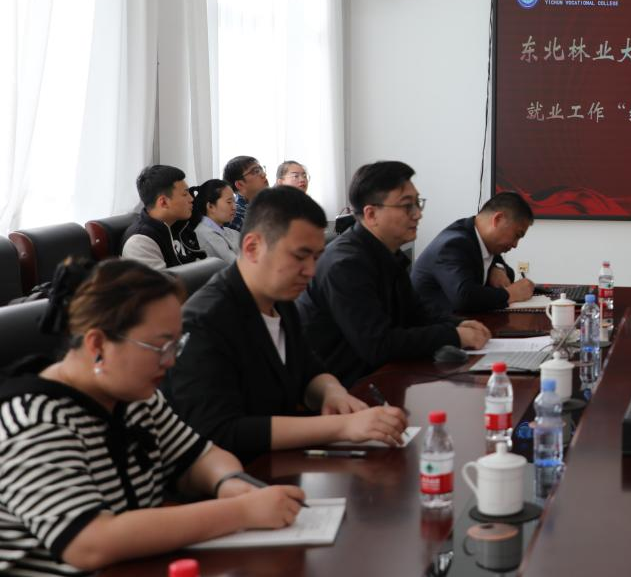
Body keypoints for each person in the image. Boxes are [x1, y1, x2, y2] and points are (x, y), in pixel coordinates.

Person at [0, 259, 306, 575]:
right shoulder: (34, 422)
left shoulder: (134, 398)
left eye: (176, 345)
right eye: (160, 347)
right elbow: (90, 543)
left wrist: (228, 482)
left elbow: (200, 457)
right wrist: (240, 511)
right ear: (98, 344)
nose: (170, 361)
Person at [167, 187, 409, 462]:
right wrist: (341, 427)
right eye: (299, 256)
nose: (311, 271)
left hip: (282, 463)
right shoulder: (204, 321)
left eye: (316, 258)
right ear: (253, 247)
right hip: (235, 476)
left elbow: (308, 368)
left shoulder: (279, 300)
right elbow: (221, 430)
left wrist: (333, 393)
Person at [297, 161, 491, 385]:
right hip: (343, 390)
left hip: (381, 378)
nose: (417, 214)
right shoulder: (345, 265)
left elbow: (417, 315)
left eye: (418, 203)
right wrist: (453, 336)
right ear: (371, 214)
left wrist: (458, 325)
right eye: (407, 206)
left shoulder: (388, 253)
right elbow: (378, 345)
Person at [411, 192, 537, 316]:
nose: (515, 245)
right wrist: (510, 294)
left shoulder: (484, 241)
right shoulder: (454, 244)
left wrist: (497, 268)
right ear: (498, 219)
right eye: (517, 235)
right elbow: (464, 298)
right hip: (429, 325)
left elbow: (509, 274)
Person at [122, 164, 206, 270]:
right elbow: (163, 281)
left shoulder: (180, 226)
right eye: (185, 194)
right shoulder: (139, 242)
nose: (191, 199)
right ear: (163, 202)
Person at [189, 179, 242, 263]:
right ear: (210, 206)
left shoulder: (228, 231)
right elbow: (239, 266)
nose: (234, 207)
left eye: (234, 202)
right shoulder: (208, 236)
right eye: (229, 202)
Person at [222, 155, 269, 232]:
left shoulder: (266, 208)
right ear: (240, 184)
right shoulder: (235, 217)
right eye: (256, 171)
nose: (264, 175)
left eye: (261, 169)